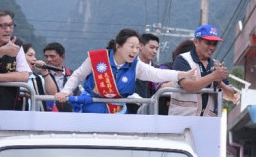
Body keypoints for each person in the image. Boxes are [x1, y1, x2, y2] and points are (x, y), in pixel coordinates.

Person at [54, 29, 194, 113]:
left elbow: (157, 74)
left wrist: (181, 75)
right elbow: (78, 75)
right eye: (131, 46)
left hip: (118, 113)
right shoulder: (97, 58)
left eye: (137, 47)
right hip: (92, 110)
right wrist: (65, 91)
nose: (135, 51)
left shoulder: (136, 65)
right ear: (118, 46)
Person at [168, 25, 239, 116]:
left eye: (214, 44)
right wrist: (213, 76)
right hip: (182, 120)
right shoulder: (183, 59)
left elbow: (230, 96)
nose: (211, 47)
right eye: (208, 43)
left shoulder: (216, 64)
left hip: (207, 123)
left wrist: (219, 82)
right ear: (196, 42)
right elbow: (188, 86)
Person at [127, 32, 161, 114]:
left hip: (152, 114)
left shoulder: (157, 69)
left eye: (156, 48)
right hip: (130, 112)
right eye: (152, 47)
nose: (155, 51)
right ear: (141, 46)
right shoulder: (129, 67)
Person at [21, 42, 59, 107]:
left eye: (34, 56)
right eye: (30, 55)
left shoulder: (38, 78)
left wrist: (44, 72)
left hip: (36, 115)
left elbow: (53, 93)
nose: (34, 59)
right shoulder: (12, 77)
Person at [42, 42, 75, 112]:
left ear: (62, 57)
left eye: (52, 56)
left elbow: (80, 93)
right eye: (46, 56)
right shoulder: (41, 76)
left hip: (71, 115)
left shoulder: (73, 75)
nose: (48, 59)